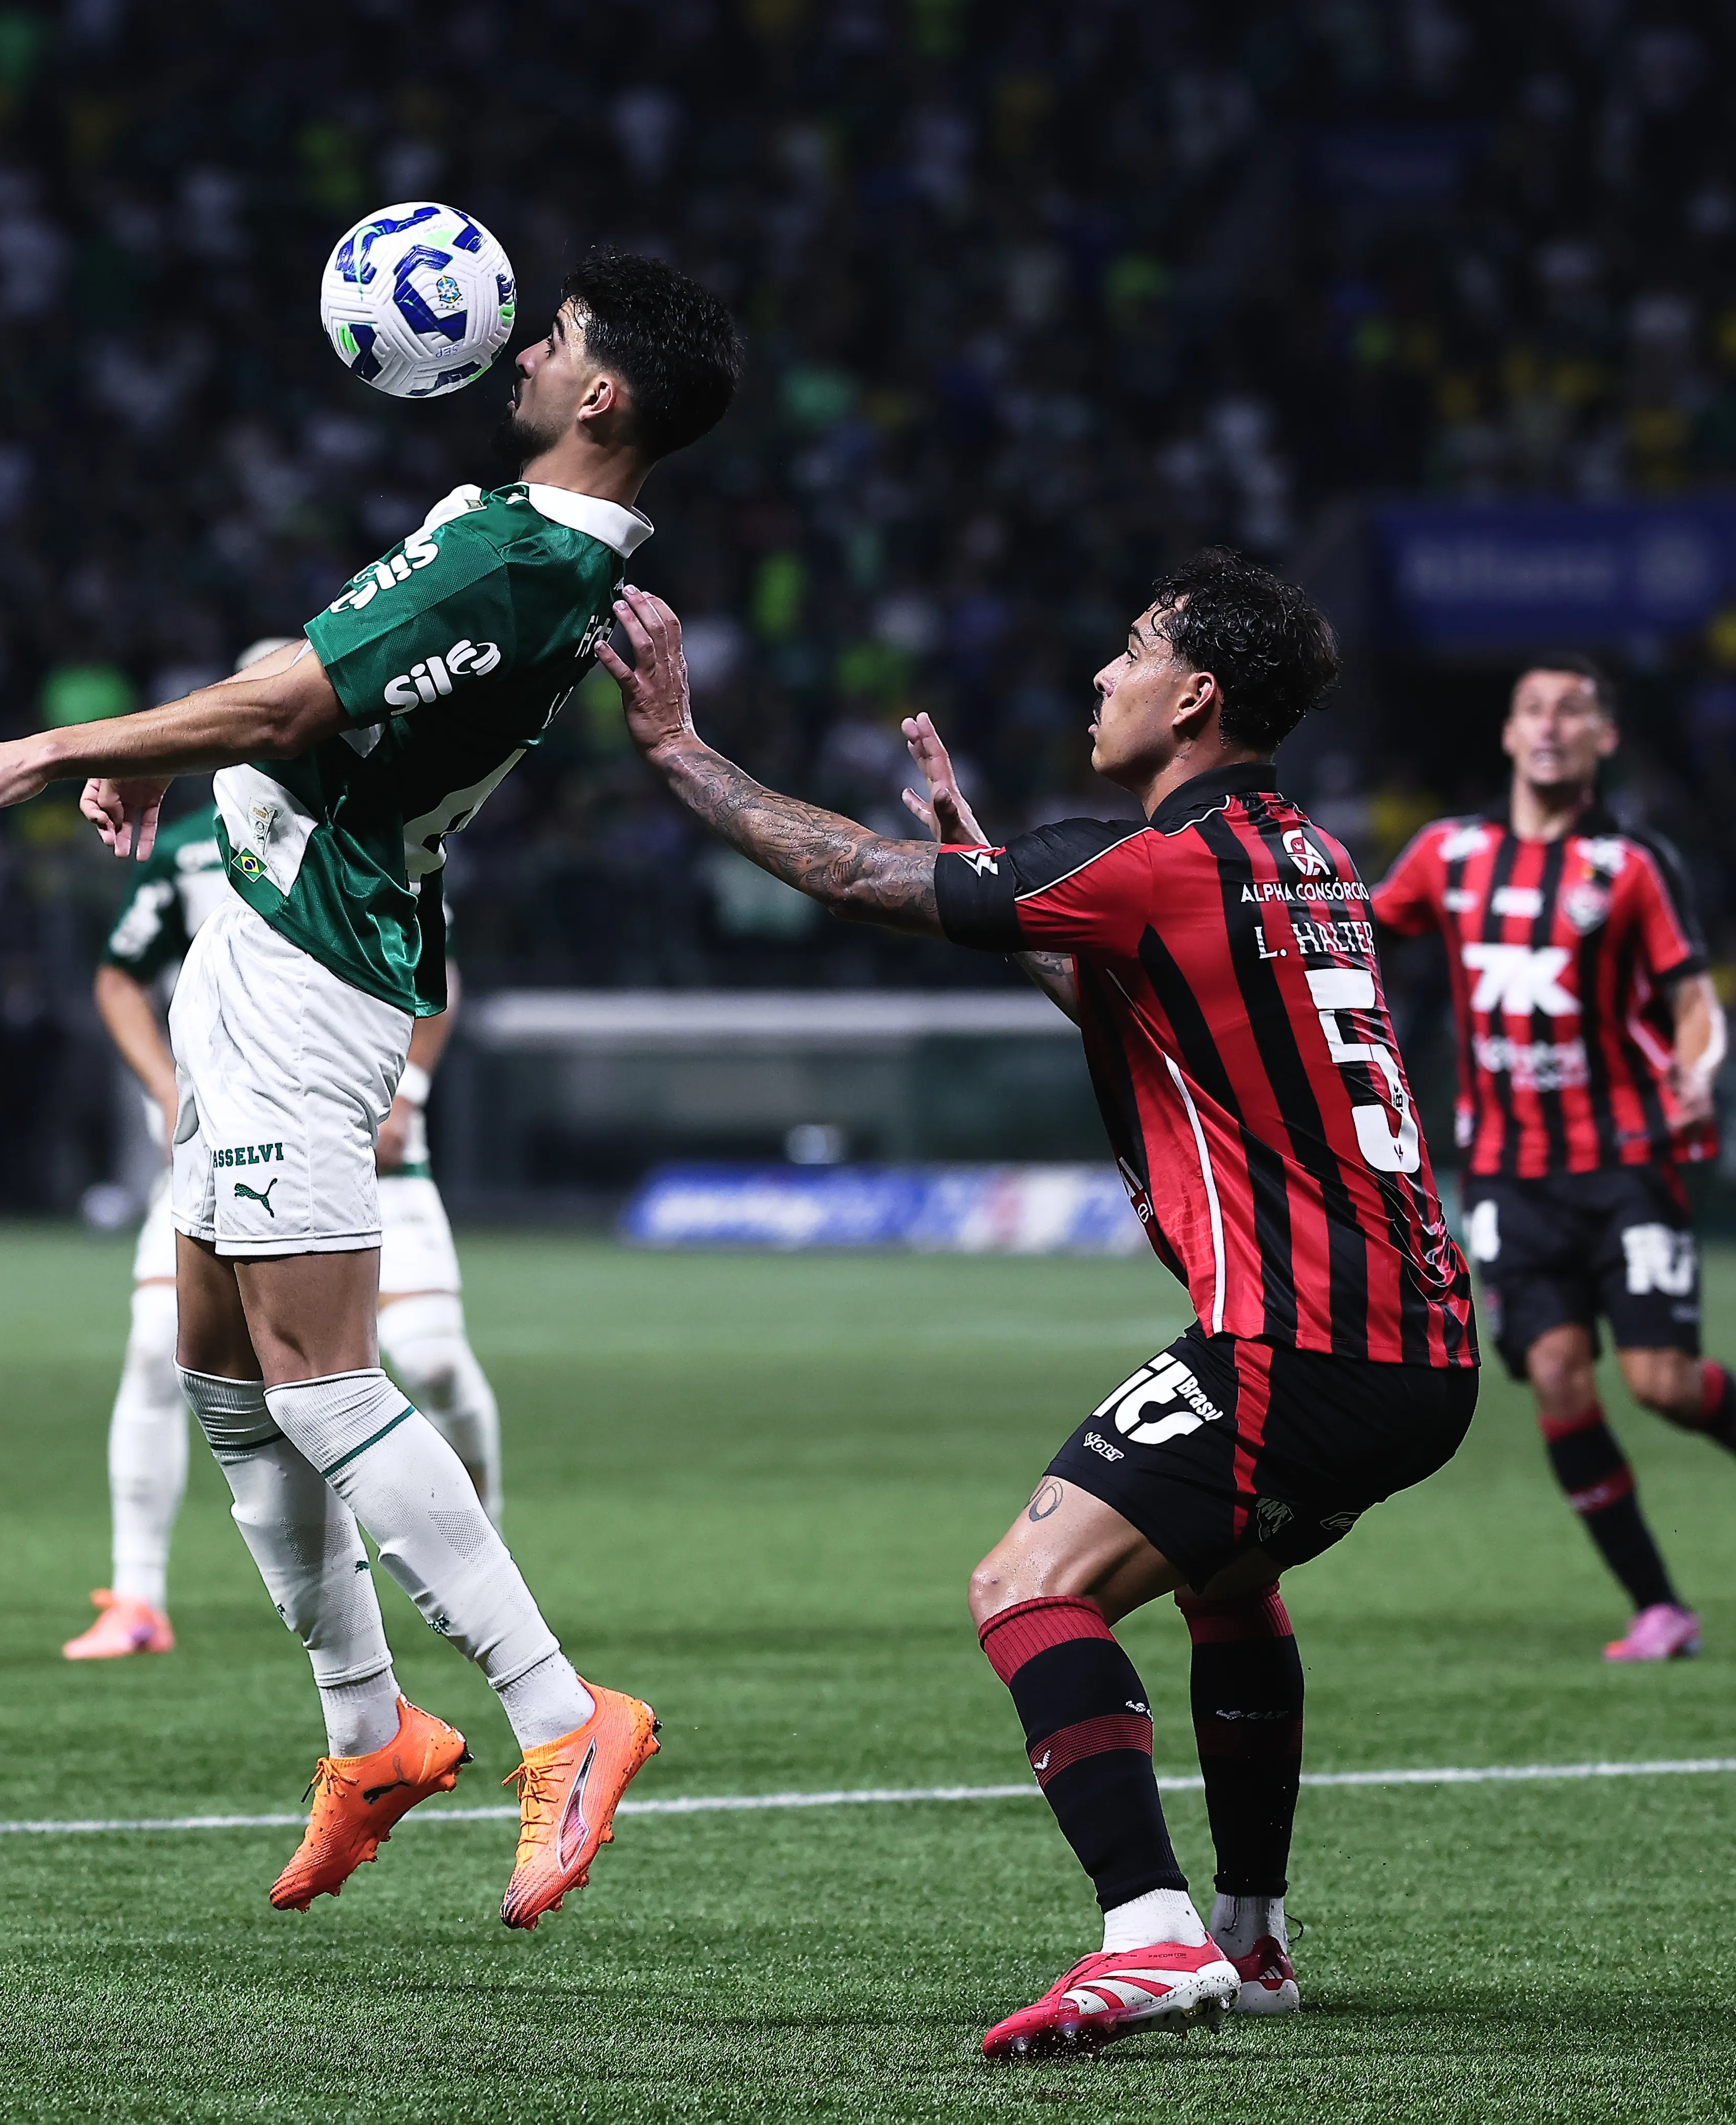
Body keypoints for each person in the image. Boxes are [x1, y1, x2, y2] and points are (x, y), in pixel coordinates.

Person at [0, 250, 741, 1929]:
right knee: (218, 1363)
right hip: (266, 939)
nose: (521, 343)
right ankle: (373, 1735)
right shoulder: (515, 536)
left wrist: (62, 745)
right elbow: (313, 702)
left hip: (312, 972)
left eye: (557, 336)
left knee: (316, 1372)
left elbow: (297, 693)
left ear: (603, 398)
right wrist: (177, 767)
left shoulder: (522, 555)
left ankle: (564, 1715)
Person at [606, 552, 1477, 2060]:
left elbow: (853, 874)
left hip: (1299, 1340)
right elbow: (1144, 991)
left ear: (1195, 695)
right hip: (1419, 1345)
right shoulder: (1309, 860)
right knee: (1219, 1581)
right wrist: (1003, 868)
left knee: (1028, 1585)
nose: (1100, 676)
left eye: (1131, 650)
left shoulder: (1153, 864)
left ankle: (1145, 1939)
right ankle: (1252, 1941)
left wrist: (684, 750)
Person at [1368, 660, 1736, 1666]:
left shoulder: (1628, 867)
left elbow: (1690, 997)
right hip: (1504, 1169)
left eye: (1571, 710)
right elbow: (1351, 932)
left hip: (1624, 1159)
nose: (1549, 724)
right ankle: (1658, 1606)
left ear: (1601, 740)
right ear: (1504, 733)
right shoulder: (1447, 853)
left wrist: (1699, 1066)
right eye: (1531, 706)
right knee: (1555, 1376)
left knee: (1659, 1381)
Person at [65, 694, 507, 1664]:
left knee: (419, 1361)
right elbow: (116, 975)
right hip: (220, 1138)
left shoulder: (376, 817)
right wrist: (167, 1080)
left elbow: (438, 961)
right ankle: (138, 1598)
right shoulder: (186, 845)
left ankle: (483, 1564)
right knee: (163, 1352)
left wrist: (412, 1088)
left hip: (361, 1136)